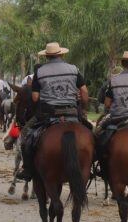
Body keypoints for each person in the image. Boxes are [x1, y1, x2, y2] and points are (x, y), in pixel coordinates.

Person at [16, 42, 91, 181]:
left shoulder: (40, 72)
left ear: (47, 56)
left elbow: (35, 97)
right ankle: (89, 166)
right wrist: (83, 106)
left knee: (25, 134)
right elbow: (84, 91)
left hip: (48, 114)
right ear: (62, 54)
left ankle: (27, 169)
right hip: (72, 113)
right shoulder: (73, 69)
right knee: (91, 133)